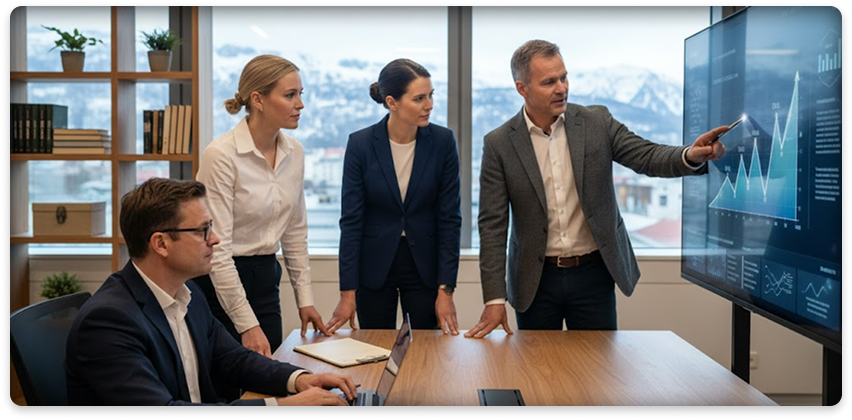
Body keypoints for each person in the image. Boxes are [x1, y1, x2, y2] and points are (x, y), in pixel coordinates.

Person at [465, 40, 728, 338]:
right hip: (534, 281)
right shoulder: (499, 143)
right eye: (549, 82)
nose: (561, 88)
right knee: (537, 376)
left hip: (593, 274)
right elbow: (492, 226)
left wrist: (689, 155)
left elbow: (646, 155)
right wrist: (494, 299)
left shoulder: (596, 122)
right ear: (522, 88)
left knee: (599, 376)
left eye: (563, 77)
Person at [65, 178, 356, 406]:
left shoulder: (188, 293)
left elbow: (235, 359)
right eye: (203, 230)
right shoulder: (108, 321)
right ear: (161, 244)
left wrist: (300, 379)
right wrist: (283, 405)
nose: (215, 240)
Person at [194, 55, 330, 366]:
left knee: (269, 375)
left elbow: (295, 233)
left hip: (267, 276)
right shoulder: (221, 155)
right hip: (221, 281)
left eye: (300, 94)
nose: (300, 105)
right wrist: (246, 324)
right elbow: (218, 249)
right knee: (230, 381)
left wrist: (305, 300)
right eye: (289, 95)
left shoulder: (295, 152)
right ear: (258, 100)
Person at [325, 59, 462, 334]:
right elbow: (351, 222)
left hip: (424, 267)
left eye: (431, 95)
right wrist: (346, 293)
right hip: (374, 268)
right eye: (419, 98)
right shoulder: (360, 144)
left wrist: (446, 291)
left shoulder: (443, 142)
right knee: (373, 350)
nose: (430, 105)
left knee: (426, 353)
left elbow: (449, 220)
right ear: (392, 102)